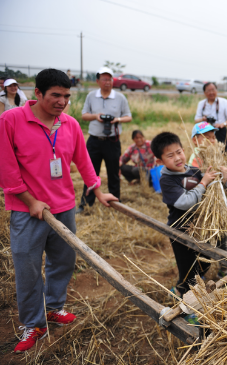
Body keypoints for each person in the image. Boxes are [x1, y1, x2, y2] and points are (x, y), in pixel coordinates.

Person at [0, 69, 118, 353]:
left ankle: (54, 307)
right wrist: (31, 202)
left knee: (62, 261)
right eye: (55, 95)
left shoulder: (70, 124)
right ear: (38, 93)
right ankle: (34, 323)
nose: (62, 101)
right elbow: (7, 169)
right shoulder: (11, 119)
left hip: (64, 208)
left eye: (66, 96)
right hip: (27, 211)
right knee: (28, 268)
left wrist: (98, 190)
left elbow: (83, 159)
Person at [151, 132, 227, 297]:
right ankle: (185, 304)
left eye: (179, 152)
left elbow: (212, 187)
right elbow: (185, 202)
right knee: (188, 271)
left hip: (200, 228)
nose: (177, 158)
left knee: (204, 264)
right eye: (170, 155)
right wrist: (203, 183)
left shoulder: (193, 170)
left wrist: (221, 177)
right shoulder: (167, 180)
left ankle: (179, 290)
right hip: (180, 230)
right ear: (160, 161)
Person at [78, 67, 132, 213]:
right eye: (104, 79)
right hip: (94, 140)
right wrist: (96, 116)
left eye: (109, 79)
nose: (107, 82)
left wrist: (117, 119)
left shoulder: (120, 97)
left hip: (112, 141)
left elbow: (128, 116)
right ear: (98, 81)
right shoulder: (91, 96)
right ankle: (86, 204)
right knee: (90, 173)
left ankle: (116, 203)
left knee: (113, 173)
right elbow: (84, 115)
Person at [194, 82, 227, 152]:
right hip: (205, 131)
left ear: (217, 90)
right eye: (208, 91)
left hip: (220, 130)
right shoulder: (201, 104)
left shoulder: (224, 102)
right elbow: (196, 120)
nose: (211, 92)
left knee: (222, 152)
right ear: (204, 92)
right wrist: (203, 119)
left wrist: (222, 124)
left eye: (213, 90)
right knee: (206, 152)